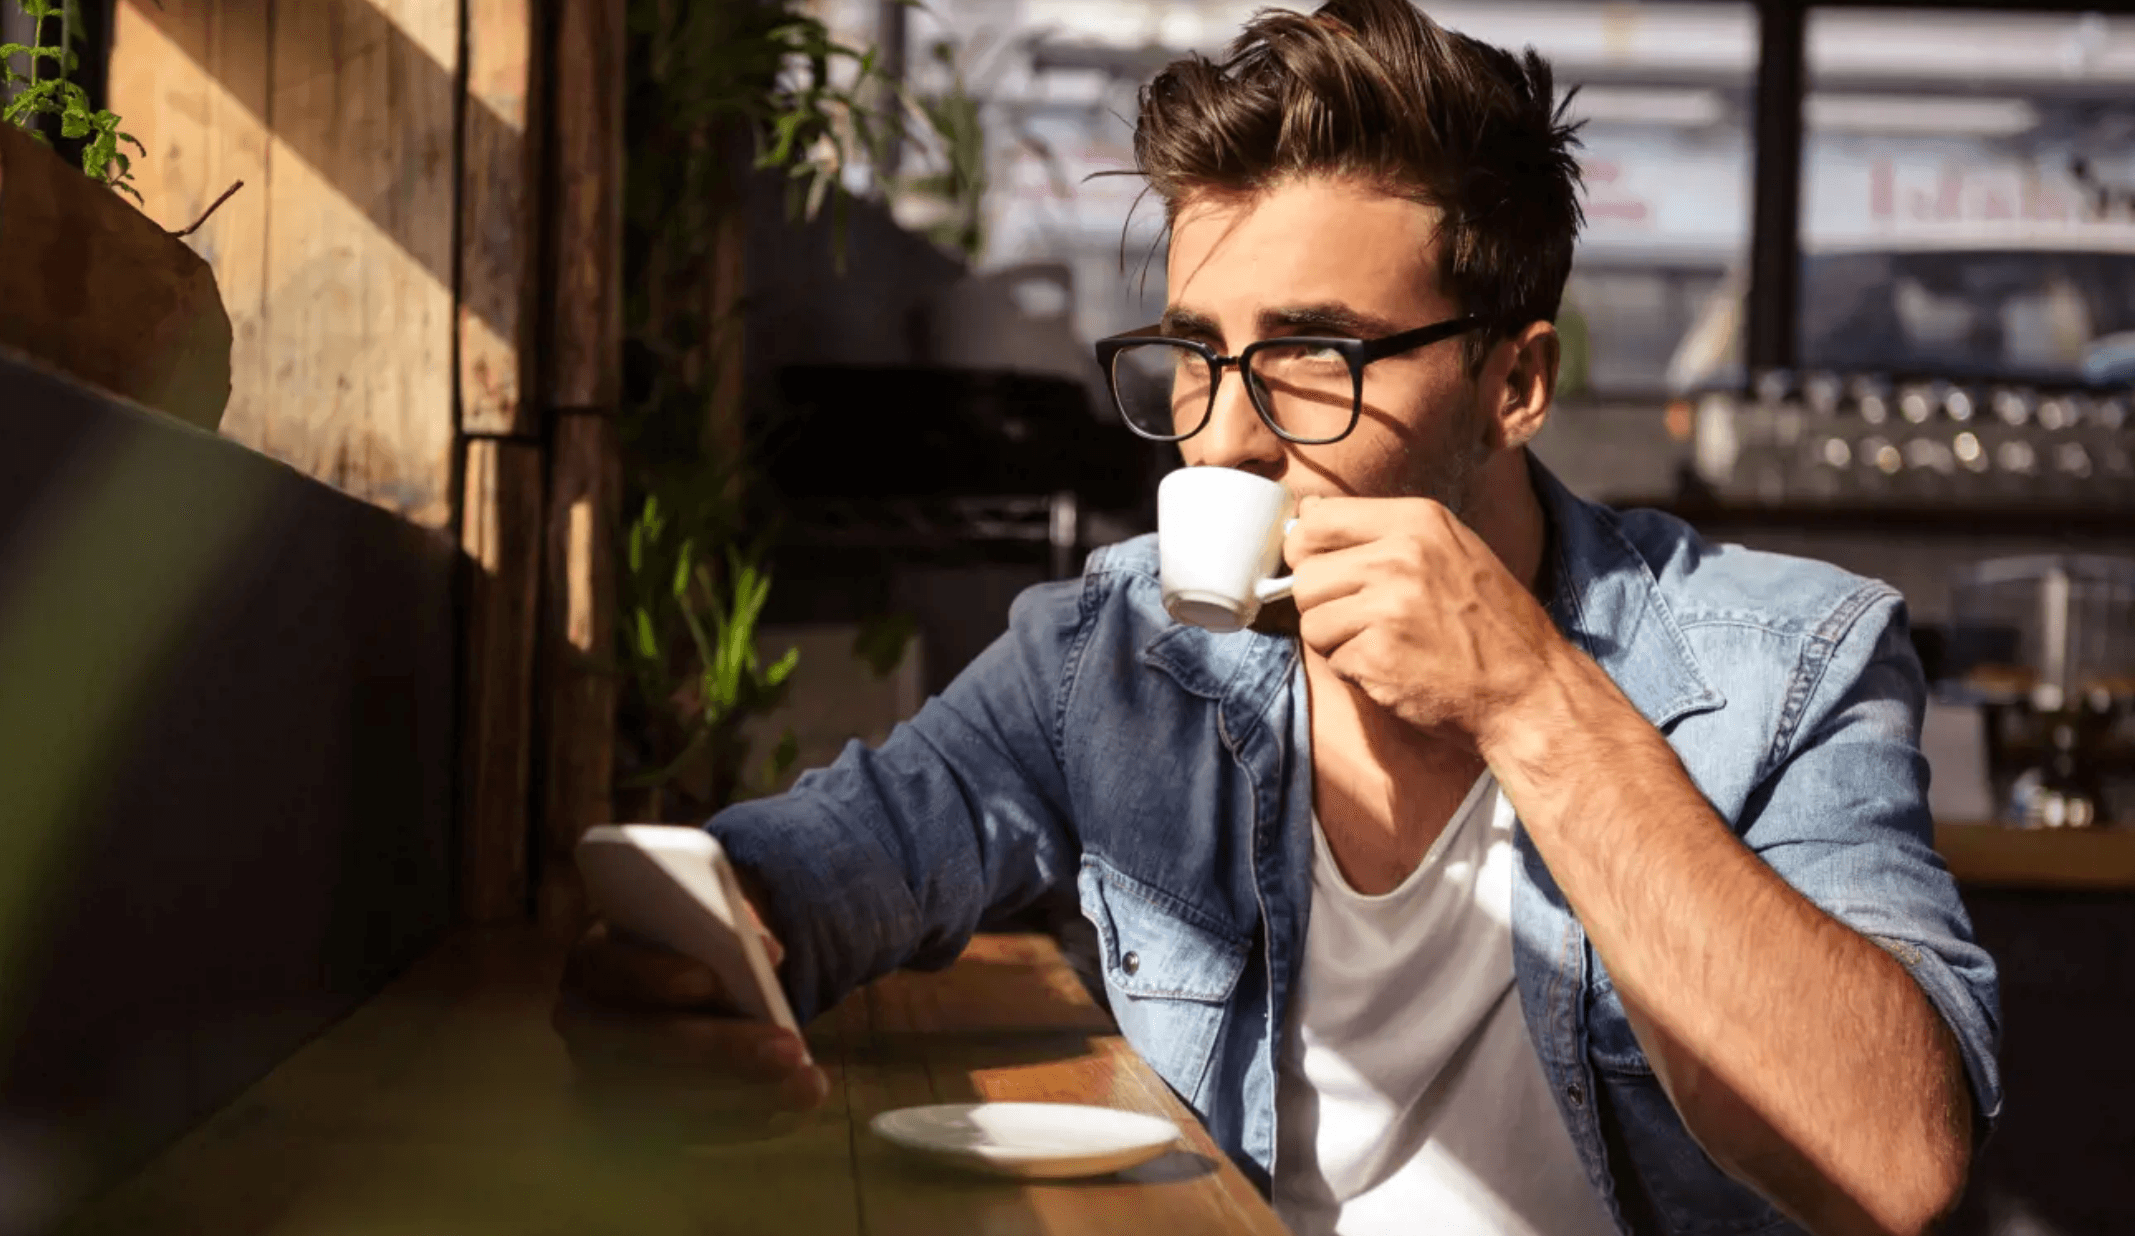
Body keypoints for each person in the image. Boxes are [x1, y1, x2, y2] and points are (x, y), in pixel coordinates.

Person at [553, 2, 2001, 1233]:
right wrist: (696, 968)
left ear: (1514, 383)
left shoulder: (1789, 661)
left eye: (1310, 356)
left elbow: (1893, 1167)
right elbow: (829, 867)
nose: (1222, 441)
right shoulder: (1111, 656)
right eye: (1194, 356)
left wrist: (1530, 702)